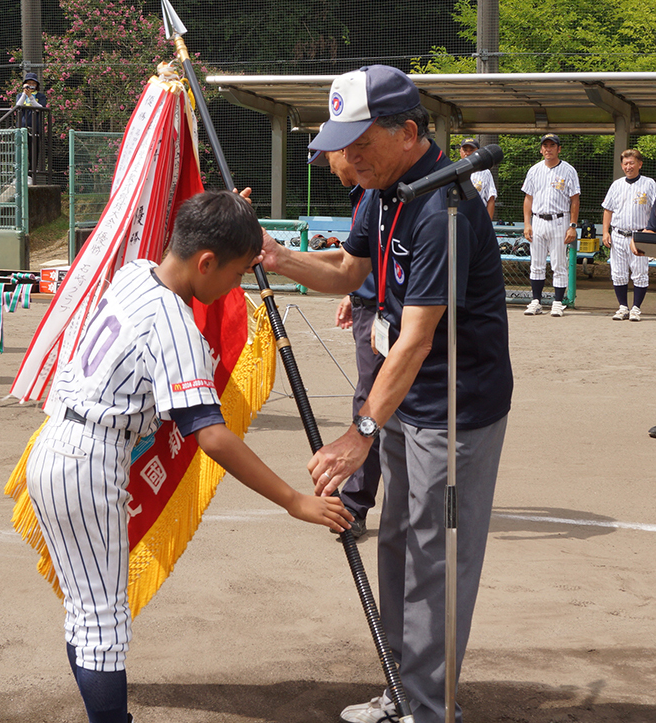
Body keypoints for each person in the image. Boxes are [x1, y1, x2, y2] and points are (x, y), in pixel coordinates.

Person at [25, 189, 351, 723]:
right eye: (238, 271)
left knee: (87, 615)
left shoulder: (137, 272)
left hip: (61, 447)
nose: (238, 285)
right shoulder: (172, 321)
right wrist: (295, 501)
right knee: (104, 624)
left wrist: (229, 214)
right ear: (206, 261)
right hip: (86, 462)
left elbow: (199, 238)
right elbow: (212, 436)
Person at [259, 65, 513, 723]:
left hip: (455, 408)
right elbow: (349, 270)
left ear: (407, 130)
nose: (348, 156)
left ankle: (430, 708)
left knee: (436, 558)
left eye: (358, 140)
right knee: (400, 540)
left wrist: (358, 434)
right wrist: (276, 257)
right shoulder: (382, 191)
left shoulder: (441, 209)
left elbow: (417, 338)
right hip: (405, 403)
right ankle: (401, 689)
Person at [311, 147, 381, 539]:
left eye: (329, 161)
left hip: (384, 312)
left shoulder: (374, 190)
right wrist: (353, 293)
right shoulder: (362, 194)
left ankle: (355, 505)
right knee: (374, 402)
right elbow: (363, 259)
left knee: (372, 405)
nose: (331, 171)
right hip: (370, 304)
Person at [521, 133, 580, 317]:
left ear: (558, 149)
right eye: (545, 145)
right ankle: (536, 301)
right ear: (541, 149)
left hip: (559, 220)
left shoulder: (568, 170)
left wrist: (573, 225)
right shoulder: (534, 170)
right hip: (538, 220)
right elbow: (528, 198)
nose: (548, 149)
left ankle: (557, 302)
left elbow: (575, 200)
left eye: (552, 145)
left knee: (559, 263)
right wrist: (527, 223)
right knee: (536, 263)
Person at [600, 148, 655, 322]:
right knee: (618, 272)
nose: (628, 166)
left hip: (639, 235)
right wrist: (605, 232)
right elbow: (608, 209)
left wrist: (651, 231)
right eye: (625, 163)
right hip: (618, 233)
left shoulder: (649, 183)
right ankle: (623, 307)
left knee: (639, 273)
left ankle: (636, 308)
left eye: (631, 163)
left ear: (640, 164)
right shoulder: (617, 185)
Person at [15, 72, 47, 176]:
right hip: (22, 127)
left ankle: (30, 175)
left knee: (33, 153)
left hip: (35, 128)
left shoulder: (40, 96)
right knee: (21, 152)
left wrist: (31, 97)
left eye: (33, 83)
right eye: (29, 83)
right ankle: (19, 175)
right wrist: (25, 94)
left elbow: (40, 108)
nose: (31, 85)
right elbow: (18, 106)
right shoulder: (20, 95)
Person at [459, 138, 497, 219]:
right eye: (465, 150)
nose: (468, 153)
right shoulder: (454, 169)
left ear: (478, 152)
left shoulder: (485, 172)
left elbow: (491, 199)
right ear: (460, 151)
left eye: (471, 150)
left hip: (478, 217)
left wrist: (487, 225)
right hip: (459, 216)